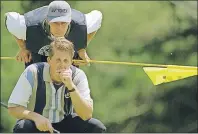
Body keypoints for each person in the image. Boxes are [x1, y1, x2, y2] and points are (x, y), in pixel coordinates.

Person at [8, 37, 106, 133]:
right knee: (22, 127)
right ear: (49, 60)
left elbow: (87, 114)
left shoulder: (78, 75)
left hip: (66, 123)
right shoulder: (33, 72)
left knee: (96, 127)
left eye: (66, 61)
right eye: (58, 60)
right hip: (38, 123)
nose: (62, 65)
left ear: (71, 62)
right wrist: (36, 117)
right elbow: (13, 108)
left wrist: (71, 86)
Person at [5, 1, 103, 67]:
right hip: (37, 54)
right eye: (55, 23)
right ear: (48, 20)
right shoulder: (27, 26)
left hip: (66, 57)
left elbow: (98, 16)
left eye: (63, 23)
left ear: (69, 21)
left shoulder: (82, 25)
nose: (59, 28)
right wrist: (23, 47)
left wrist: (81, 48)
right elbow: (9, 19)